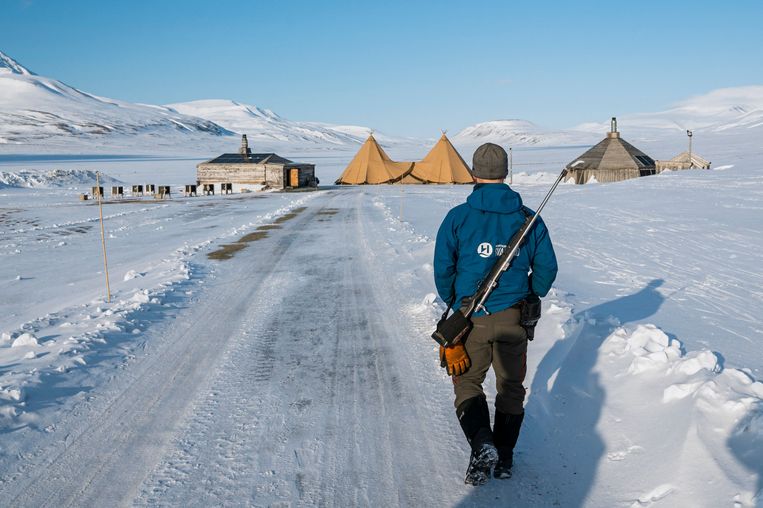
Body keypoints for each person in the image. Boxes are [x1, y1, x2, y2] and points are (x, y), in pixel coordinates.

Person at [433, 142, 558, 485]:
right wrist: (532, 293)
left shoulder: (457, 217)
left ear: (474, 173)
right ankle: (504, 458)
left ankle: (481, 442)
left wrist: (458, 304)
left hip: (469, 320)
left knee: (468, 382)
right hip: (513, 319)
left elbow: (443, 269)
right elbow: (547, 268)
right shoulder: (528, 218)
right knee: (511, 387)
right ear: (506, 173)